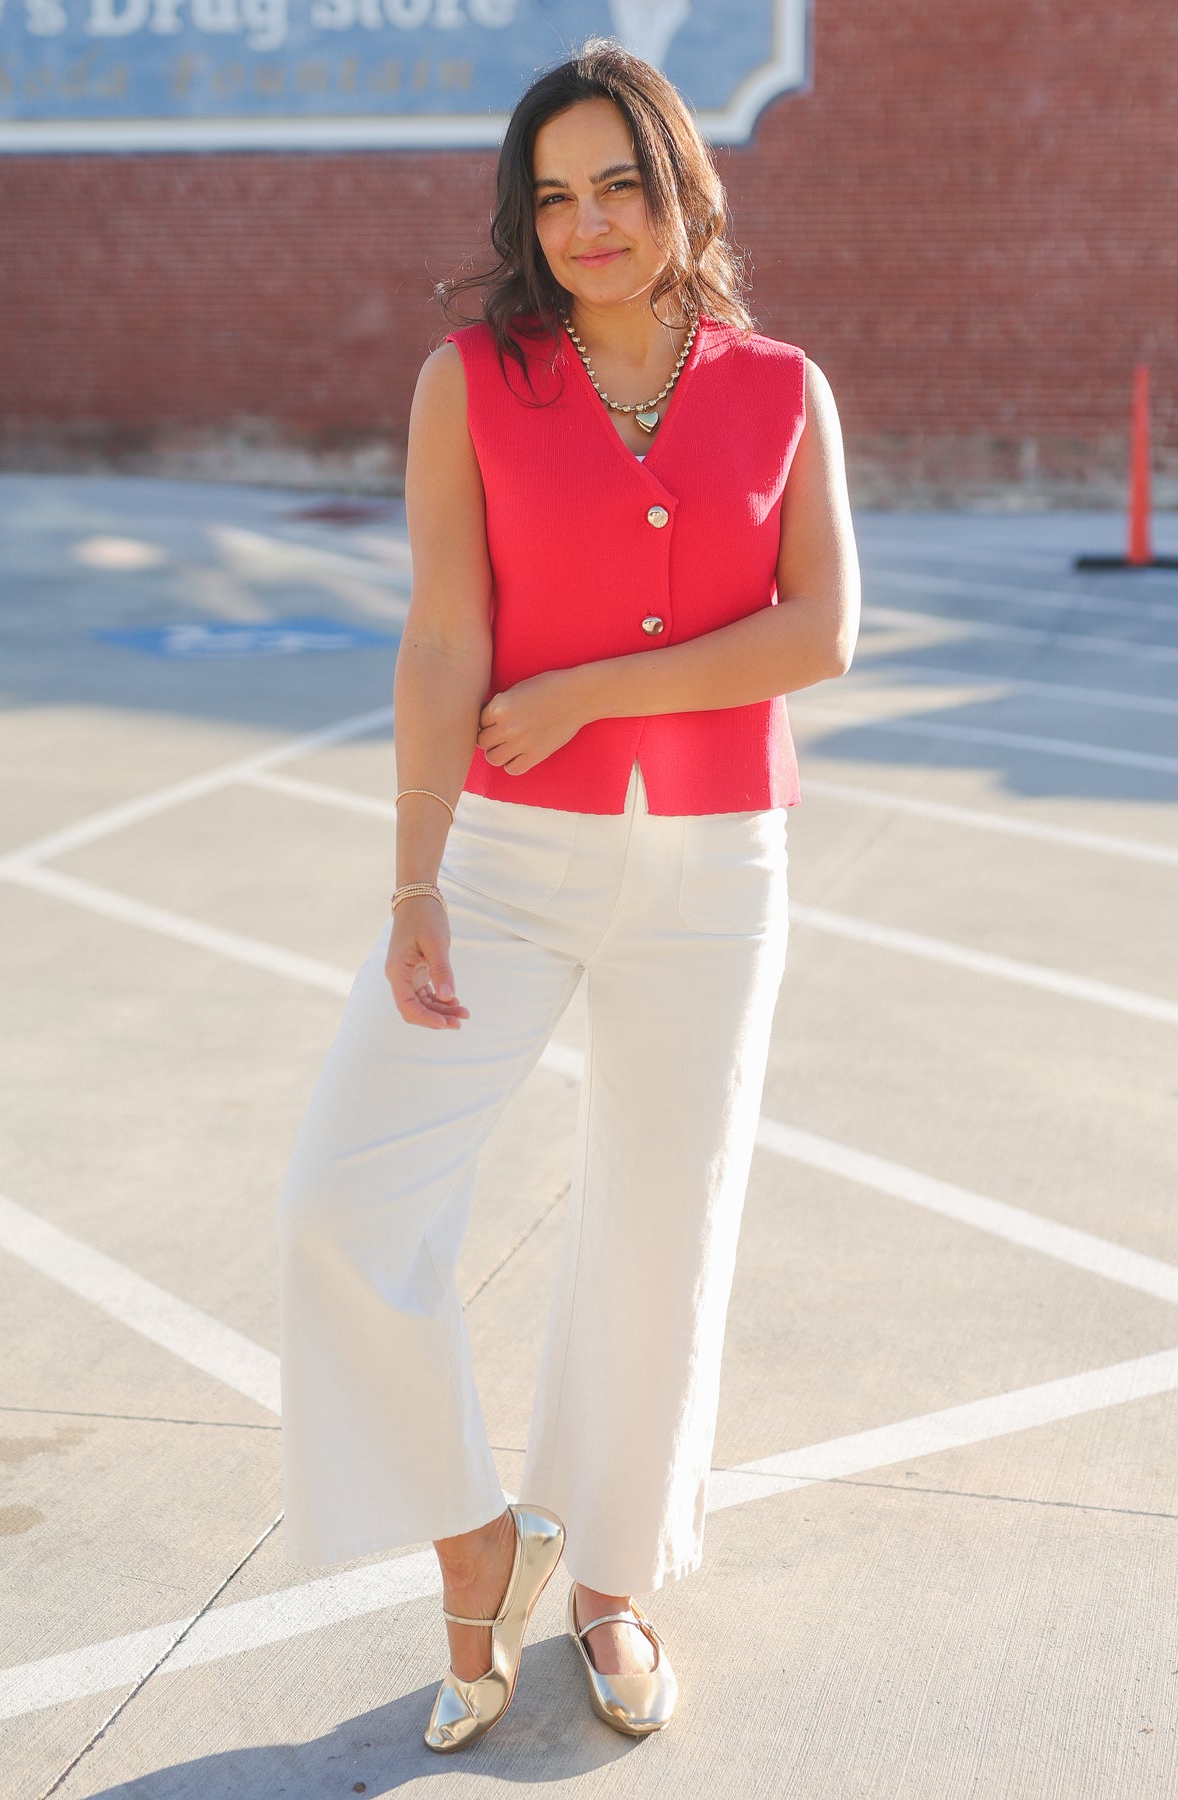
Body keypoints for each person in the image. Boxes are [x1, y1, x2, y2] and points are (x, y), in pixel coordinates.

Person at [276, 35, 860, 1755]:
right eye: (555, 195)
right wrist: (410, 876)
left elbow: (819, 632)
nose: (591, 222)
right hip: (507, 863)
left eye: (621, 183)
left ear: (682, 186)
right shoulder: (475, 378)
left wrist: (597, 689)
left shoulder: (782, 385)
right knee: (341, 1197)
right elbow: (445, 633)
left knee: (660, 1233)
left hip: (715, 865)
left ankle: (614, 1583)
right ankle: (481, 1535)